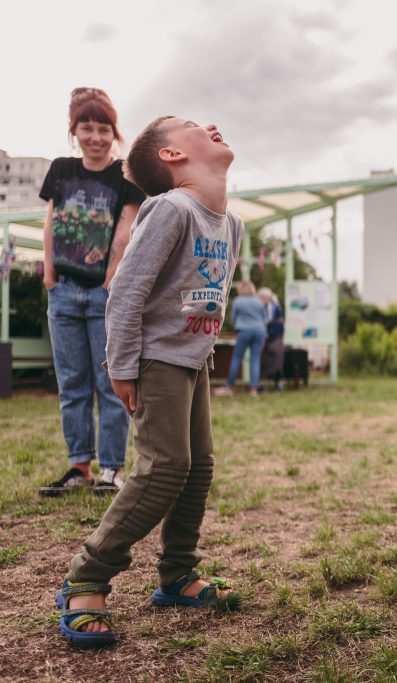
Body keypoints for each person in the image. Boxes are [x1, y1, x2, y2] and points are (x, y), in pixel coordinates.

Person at [54, 115, 244, 646]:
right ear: (171, 156)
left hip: (192, 360)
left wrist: (202, 355)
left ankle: (178, 574)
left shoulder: (230, 224)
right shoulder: (170, 208)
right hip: (157, 359)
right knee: (165, 468)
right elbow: (127, 290)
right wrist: (122, 365)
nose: (209, 123)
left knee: (198, 467)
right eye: (188, 124)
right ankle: (85, 576)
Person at [38, 87, 144, 496]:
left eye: (103, 128)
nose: (95, 136)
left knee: (109, 385)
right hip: (62, 291)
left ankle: (111, 470)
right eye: (87, 128)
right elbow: (50, 221)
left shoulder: (125, 175)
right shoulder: (61, 170)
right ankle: (79, 466)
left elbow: (126, 230)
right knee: (72, 384)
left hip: (104, 294)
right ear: (74, 130)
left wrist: (111, 278)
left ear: (113, 132)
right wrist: (49, 275)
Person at [215, 280, 267, 397]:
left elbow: (233, 318)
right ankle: (254, 389)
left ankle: (229, 387)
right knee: (255, 360)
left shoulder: (238, 301)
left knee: (237, 358)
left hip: (244, 331)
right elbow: (265, 319)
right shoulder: (259, 302)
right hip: (259, 332)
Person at [258, 286, 285, 391]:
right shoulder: (260, 307)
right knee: (263, 360)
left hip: (276, 337)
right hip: (264, 337)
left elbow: (280, 321)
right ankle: (262, 383)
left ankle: (279, 383)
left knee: (277, 360)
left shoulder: (276, 307)